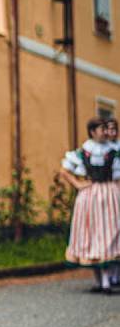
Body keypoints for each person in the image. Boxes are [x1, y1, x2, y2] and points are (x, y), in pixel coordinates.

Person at [60, 117, 120, 293]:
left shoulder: (113, 151)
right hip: (90, 197)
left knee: (109, 232)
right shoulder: (83, 152)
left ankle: (108, 281)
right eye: (101, 129)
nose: (105, 132)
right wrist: (78, 184)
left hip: (109, 195)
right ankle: (100, 280)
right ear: (93, 132)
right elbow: (64, 171)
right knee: (92, 233)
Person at [105, 117, 120, 286]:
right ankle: (109, 274)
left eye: (113, 129)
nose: (111, 133)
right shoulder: (101, 150)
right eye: (108, 129)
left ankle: (116, 273)